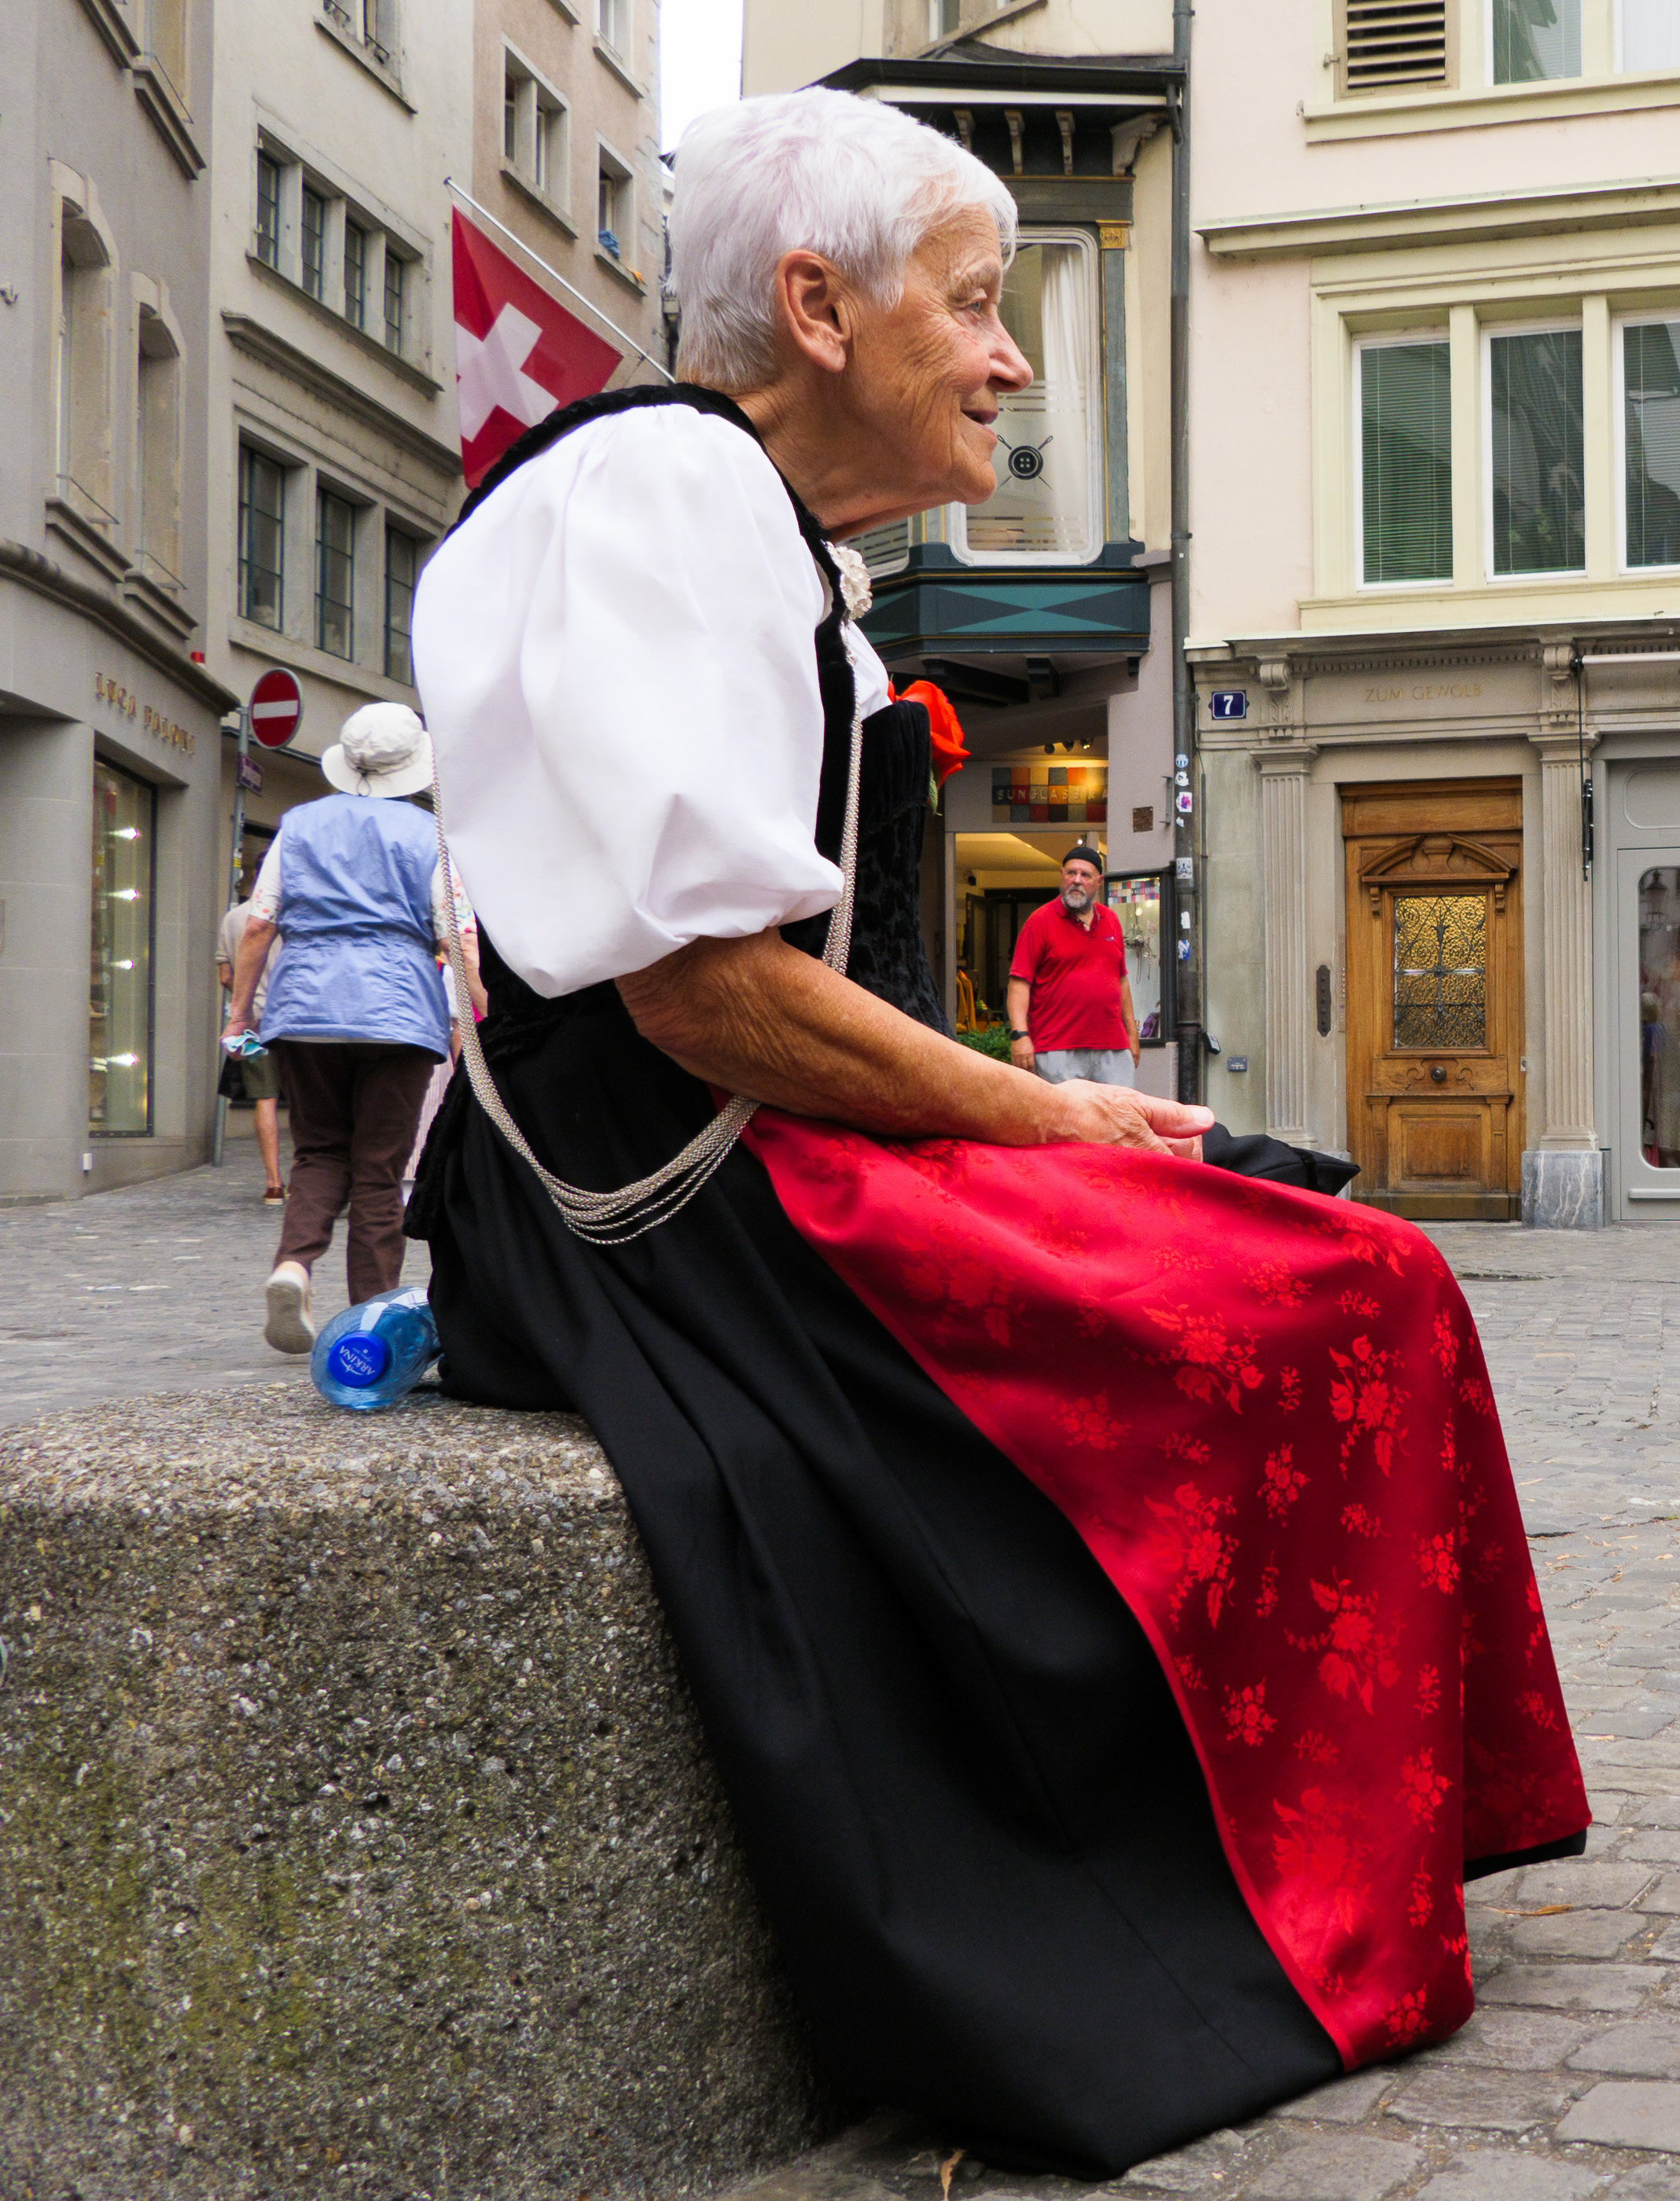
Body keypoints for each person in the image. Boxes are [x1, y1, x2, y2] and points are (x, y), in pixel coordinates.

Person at [402, 90, 1586, 2177]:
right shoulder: (670, 485)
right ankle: (1253, 1875)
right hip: (665, 1201)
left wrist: (1054, 1119)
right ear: (815, 308)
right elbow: (705, 992)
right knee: (1344, 1284)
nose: (1013, 358)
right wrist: (1040, 1114)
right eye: (975, 304)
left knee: (1289, 1212)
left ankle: (1365, 1812)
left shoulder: (740, 524)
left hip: (715, 1145)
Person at [226, 704, 463, 1354]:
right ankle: (371, 1324)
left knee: (320, 1152)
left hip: (305, 1008)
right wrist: (472, 1020)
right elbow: (455, 932)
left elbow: (259, 923)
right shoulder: (428, 836)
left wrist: (241, 1013)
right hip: (398, 1013)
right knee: (379, 1172)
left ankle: (294, 1265)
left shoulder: (299, 824)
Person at [1005, 844, 1133, 1086]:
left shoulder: (1111, 921)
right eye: (1071, 873)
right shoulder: (1040, 921)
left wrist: (1132, 1037)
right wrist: (1020, 1035)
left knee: (1118, 1120)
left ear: (1098, 882)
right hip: (1056, 1048)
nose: (1077, 880)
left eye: (1085, 875)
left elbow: (1122, 980)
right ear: (1062, 876)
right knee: (1063, 1123)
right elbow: (1019, 982)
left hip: (1112, 1048)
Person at [215, 857, 283, 1203]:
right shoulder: (294, 916)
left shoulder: (233, 919)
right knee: (310, 1099)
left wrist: (243, 1004)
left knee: (265, 1098)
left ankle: (273, 1182)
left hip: (252, 1022)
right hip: (295, 1019)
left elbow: (226, 977)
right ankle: (310, 1178)